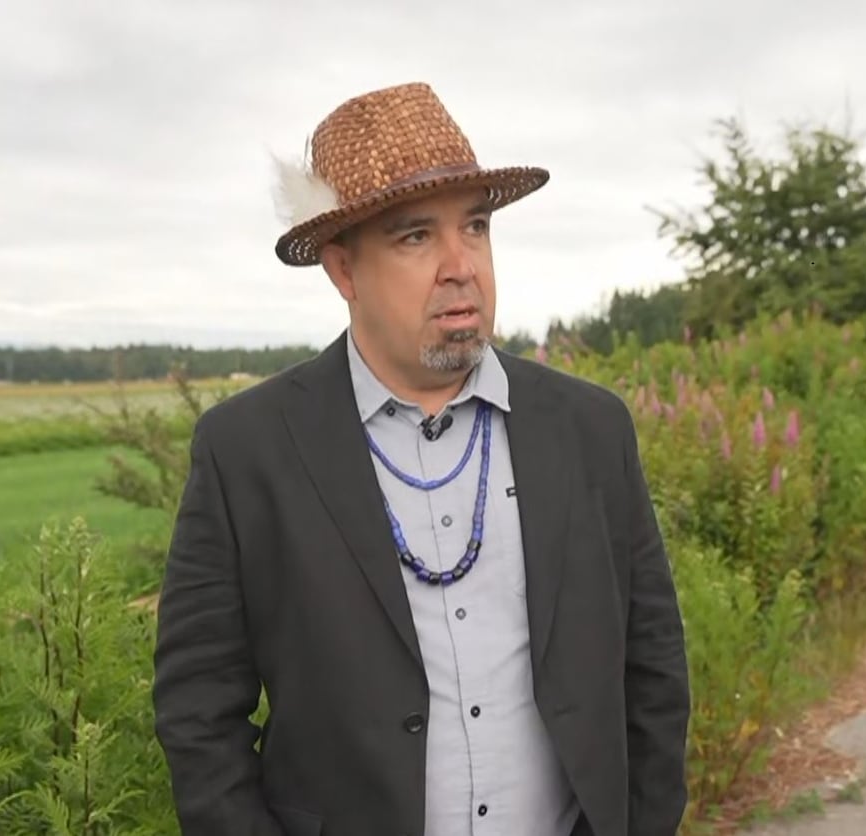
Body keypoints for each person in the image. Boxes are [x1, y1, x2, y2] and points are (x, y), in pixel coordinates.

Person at [152, 81, 691, 836]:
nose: (459, 263)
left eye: (474, 227)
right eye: (415, 237)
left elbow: (653, 665)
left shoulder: (590, 429)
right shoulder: (249, 450)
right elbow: (198, 710)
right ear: (342, 270)